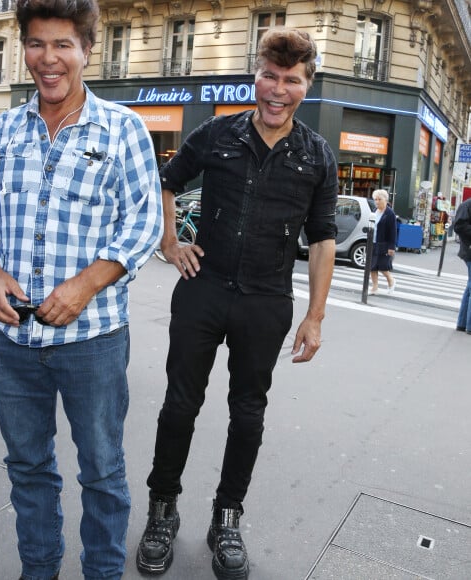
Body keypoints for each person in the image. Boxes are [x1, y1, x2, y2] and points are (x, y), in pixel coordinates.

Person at [0, 0, 163, 578]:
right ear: (24, 48)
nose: (48, 59)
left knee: (101, 469)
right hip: (10, 341)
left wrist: (85, 285)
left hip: (94, 340)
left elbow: (145, 222)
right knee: (27, 467)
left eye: (63, 45)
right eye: (36, 44)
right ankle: (39, 568)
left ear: (87, 51)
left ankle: (102, 571)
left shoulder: (122, 128)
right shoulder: (0, 131)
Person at [136, 27, 338, 580]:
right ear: (256, 75)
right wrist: (170, 242)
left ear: (307, 85)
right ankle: (162, 510)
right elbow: (166, 181)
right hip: (203, 290)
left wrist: (315, 317)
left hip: (267, 301)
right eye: (269, 76)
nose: (277, 90)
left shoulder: (317, 155)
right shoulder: (217, 133)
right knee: (180, 405)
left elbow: (323, 239)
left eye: (290, 80)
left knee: (248, 413)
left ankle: (227, 518)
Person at [369, 189, 397, 295]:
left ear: (385, 199)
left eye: (379, 199)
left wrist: (391, 247)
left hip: (384, 244)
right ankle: (374, 287)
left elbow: (393, 231)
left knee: (383, 267)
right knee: (372, 266)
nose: (377, 201)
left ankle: (391, 281)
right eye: (375, 199)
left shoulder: (390, 213)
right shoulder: (374, 210)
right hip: (373, 242)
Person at [454, 197, 471, 334]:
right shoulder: (467, 205)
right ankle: (469, 325)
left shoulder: (467, 205)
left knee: (469, 287)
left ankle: (462, 323)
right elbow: (459, 226)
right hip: (469, 250)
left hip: (468, 250)